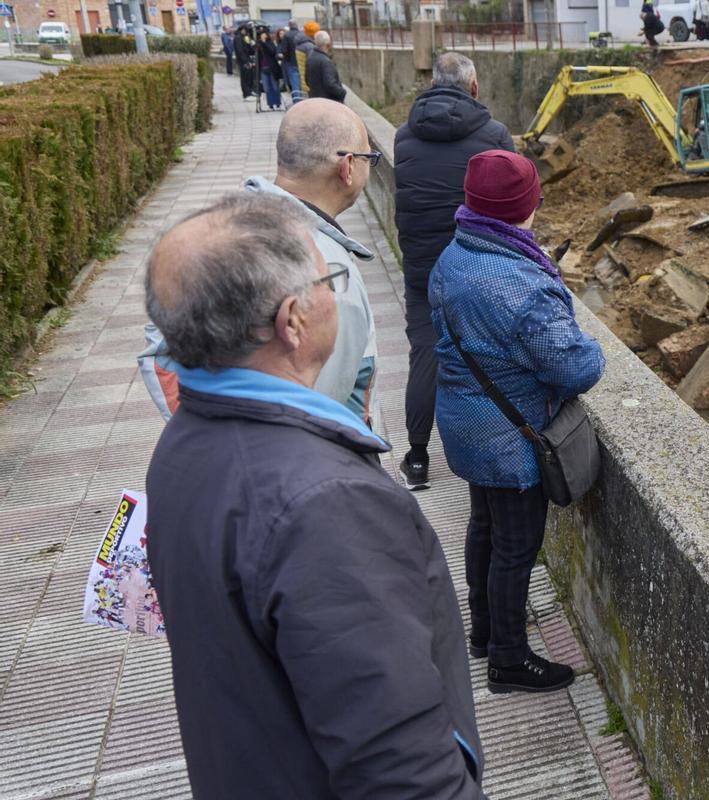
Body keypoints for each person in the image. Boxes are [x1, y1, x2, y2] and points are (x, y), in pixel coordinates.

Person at [144, 193, 485, 799]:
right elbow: (403, 769)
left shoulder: (186, 441)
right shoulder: (326, 504)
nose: (336, 293)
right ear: (293, 321)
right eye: (329, 280)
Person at [428, 150, 605, 693]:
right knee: (515, 547)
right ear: (525, 205)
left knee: (484, 526)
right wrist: (594, 345)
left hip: (464, 421)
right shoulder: (522, 285)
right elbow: (576, 368)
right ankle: (507, 659)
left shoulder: (455, 253)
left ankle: (483, 631)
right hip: (511, 439)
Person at [138, 99, 380, 428]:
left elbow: (162, 350)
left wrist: (203, 428)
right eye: (370, 158)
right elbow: (331, 407)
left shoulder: (224, 230)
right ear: (348, 167)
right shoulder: (330, 276)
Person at [392, 52, 514, 492]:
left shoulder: (404, 136)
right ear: (474, 87)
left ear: (432, 84)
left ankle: (418, 459)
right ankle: (486, 454)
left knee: (426, 353)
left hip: (422, 265)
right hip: (477, 261)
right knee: (486, 353)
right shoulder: (495, 134)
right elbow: (512, 201)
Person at [306, 30, 346, 103]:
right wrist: (342, 92)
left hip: (315, 99)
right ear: (328, 44)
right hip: (328, 101)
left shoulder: (310, 57)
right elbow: (330, 84)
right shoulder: (326, 62)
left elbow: (307, 80)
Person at [281, 18, 309, 103]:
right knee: (304, 81)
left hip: (291, 62)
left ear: (289, 26)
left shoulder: (286, 35)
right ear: (297, 25)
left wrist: (286, 59)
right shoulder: (302, 34)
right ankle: (306, 99)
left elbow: (284, 50)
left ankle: (297, 101)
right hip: (302, 61)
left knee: (295, 83)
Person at [256, 27, 282, 110]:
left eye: (264, 34)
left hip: (271, 68)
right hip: (263, 68)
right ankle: (270, 104)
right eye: (261, 34)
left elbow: (272, 51)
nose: (263, 36)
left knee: (275, 86)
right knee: (267, 88)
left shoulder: (269, 43)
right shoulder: (258, 44)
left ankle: (277, 103)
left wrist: (264, 43)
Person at [233, 22, 255, 99]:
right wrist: (246, 61)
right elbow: (240, 51)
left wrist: (250, 44)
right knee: (245, 77)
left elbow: (249, 49)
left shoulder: (244, 37)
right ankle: (246, 94)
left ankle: (250, 91)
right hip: (243, 61)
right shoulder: (238, 38)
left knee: (249, 77)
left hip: (247, 59)